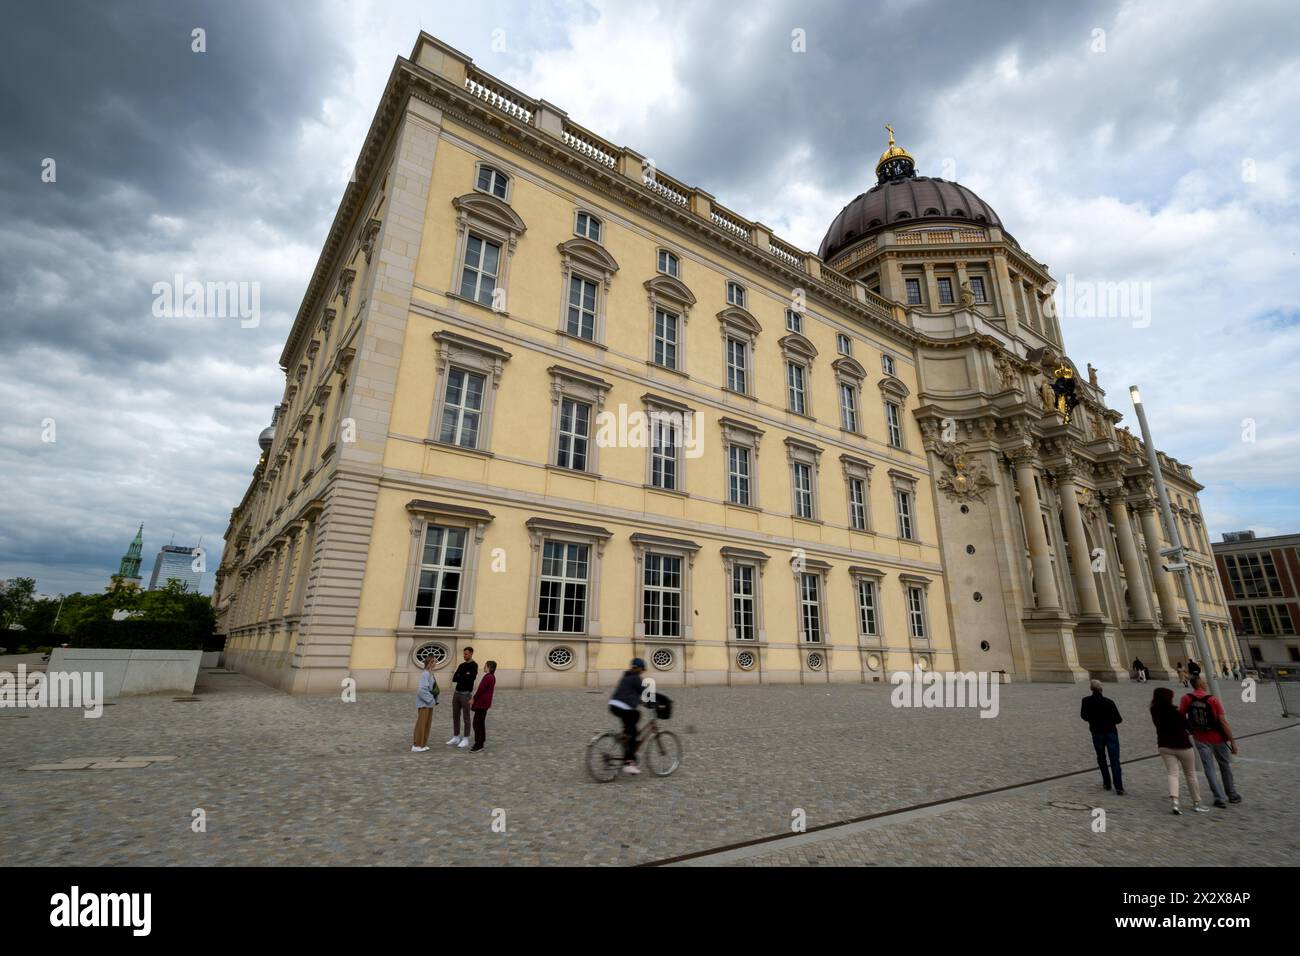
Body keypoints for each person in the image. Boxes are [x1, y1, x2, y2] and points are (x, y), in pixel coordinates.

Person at [1180, 677, 1241, 808]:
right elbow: (1223, 722)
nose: (1206, 683)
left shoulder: (1186, 698)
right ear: (1201, 684)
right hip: (1218, 738)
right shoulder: (1213, 699)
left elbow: (1181, 717)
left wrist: (1189, 730)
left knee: (1209, 768)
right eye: (1204, 682)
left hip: (1200, 738)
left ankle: (1219, 797)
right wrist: (1232, 742)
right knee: (1224, 765)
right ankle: (1231, 794)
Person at [1149, 687, 1206, 814]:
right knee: (1190, 774)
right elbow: (1189, 728)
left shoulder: (1153, 710)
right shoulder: (1177, 712)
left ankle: (1175, 802)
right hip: (1183, 745)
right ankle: (1196, 803)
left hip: (1164, 745)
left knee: (1172, 774)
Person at [1080, 679, 1125, 794]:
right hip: (1111, 733)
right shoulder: (1109, 702)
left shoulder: (1086, 701)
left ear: (1091, 689)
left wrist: (1093, 720)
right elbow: (1118, 719)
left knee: (1101, 758)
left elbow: (1084, 716)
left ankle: (1107, 783)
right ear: (1101, 689)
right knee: (1114, 759)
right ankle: (1119, 786)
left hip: (1096, 733)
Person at [608, 658, 648, 775]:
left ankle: (624, 736)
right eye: (642, 670)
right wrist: (654, 704)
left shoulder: (625, 677)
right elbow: (646, 694)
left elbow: (628, 693)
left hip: (613, 705)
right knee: (634, 732)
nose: (642, 672)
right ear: (640, 668)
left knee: (635, 716)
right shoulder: (636, 678)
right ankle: (629, 763)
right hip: (624, 707)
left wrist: (639, 701)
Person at [447, 646, 478, 749]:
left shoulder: (474, 665)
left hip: (466, 694)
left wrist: (462, 676)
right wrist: (464, 675)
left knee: (466, 716)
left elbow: (471, 678)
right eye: (464, 654)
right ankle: (456, 736)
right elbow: (455, 678)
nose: (464, 655)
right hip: (457, 693)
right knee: (455, 715)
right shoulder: (461, 665)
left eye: (466, 654)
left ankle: (466, 738)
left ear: (471, 654)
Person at [411, 656, 440, 753]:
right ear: (430, 663)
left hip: (428, 703)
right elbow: (421, 690)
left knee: (427, 724)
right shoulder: (425, 674)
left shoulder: (430, 673)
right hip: (424, 703)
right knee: (421, 724)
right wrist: (431, 700)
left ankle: (423, 743)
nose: (435, 663)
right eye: (434, 661)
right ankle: (417, 744)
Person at [469, 661, 497, 753]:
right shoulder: (491, 677)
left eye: (485, 666)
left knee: (477, 723)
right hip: (484, 703)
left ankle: (479, 744)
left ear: (489, 667)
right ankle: (481, 741)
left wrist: (474, 698)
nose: (484, 667)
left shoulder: (488, 677)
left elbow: (480, 690)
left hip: (482, 703)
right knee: (480, 723)